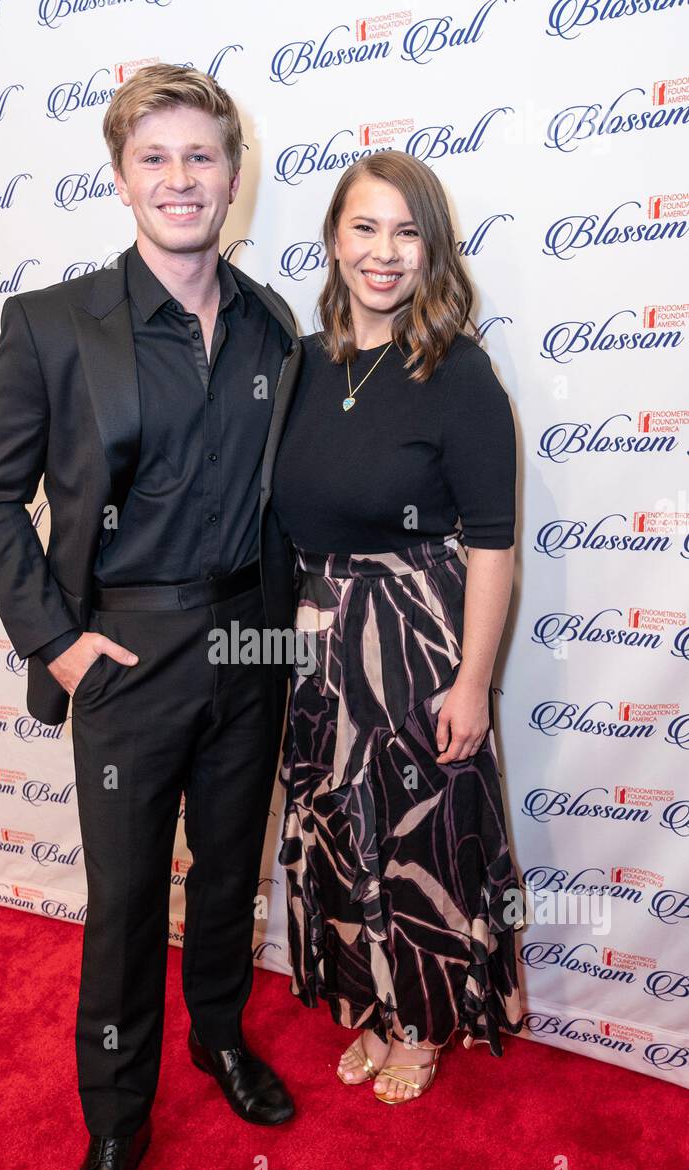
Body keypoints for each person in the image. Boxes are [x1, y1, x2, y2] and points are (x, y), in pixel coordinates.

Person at [0, 63, 304, 1170]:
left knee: (224, 874)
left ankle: (218, 1035)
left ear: (232, 173)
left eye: (199, 156)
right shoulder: (52, 325)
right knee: (119, 907)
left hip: (248, 641)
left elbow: (281, 495)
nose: (179, 179)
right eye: (153, 159)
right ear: (119, 179)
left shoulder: (270, 324)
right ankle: (114, 1129)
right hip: (120, 653)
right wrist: (54, 642)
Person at [271, 150, 527, 1105]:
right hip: (318, 640)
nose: (384, 252)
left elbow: (494, 544)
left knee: (417, 843)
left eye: (406, 231)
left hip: (418, 640)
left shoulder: (458, 372)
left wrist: (473, 682)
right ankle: (372, 1007)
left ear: (433, 249)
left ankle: (421, 1017)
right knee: (340, 831)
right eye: (365, 227)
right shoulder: (301, 363)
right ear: (336, 239)